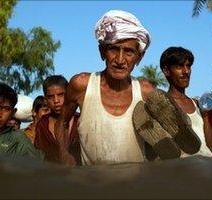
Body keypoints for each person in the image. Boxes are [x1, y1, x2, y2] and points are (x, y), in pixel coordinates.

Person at [55, 10, 156, 165]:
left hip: (136, 186)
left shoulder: (145, 92)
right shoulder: (82, 85)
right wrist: (63, 153)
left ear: (139, 57)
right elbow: (62, 123)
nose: (120, 60)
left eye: (129, 51)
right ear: (102, 51)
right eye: (114, 49)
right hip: (93, 185)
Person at [34, 75, 81, 165]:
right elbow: (39, 155)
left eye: (60, 95)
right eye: (50, 97)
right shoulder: (42, 124)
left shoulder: (79, 120)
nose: (56, 101)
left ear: (68, 94)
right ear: (46, 99)